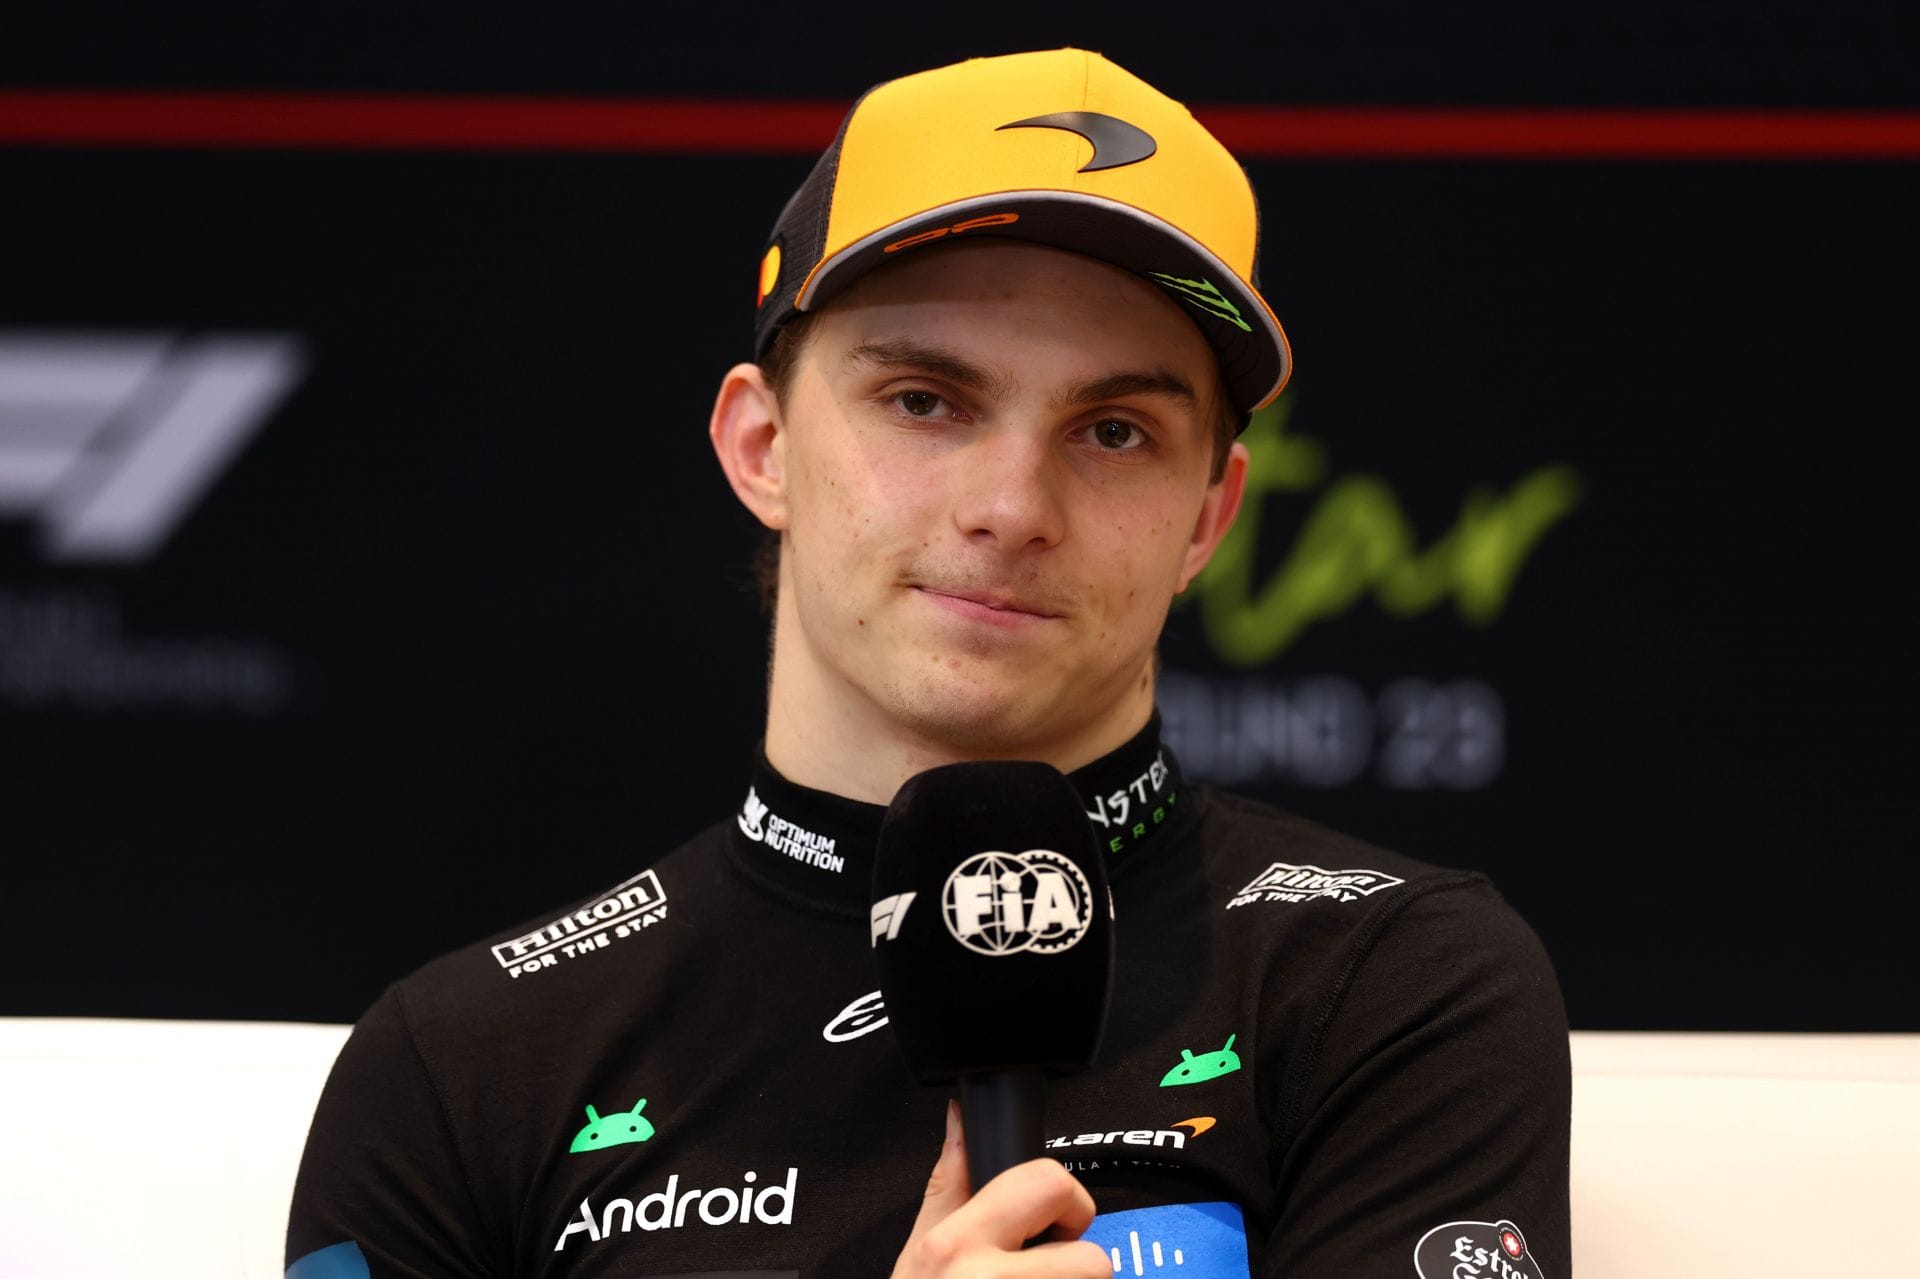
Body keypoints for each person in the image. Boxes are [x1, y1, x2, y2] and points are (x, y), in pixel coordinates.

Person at [287, 48, 1569, 1279]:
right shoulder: (466, 1061)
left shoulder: (1390, 981)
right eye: (925, 400)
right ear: (762, 444)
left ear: (1208, 517)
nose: (1013, 504)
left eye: (1114, 430)